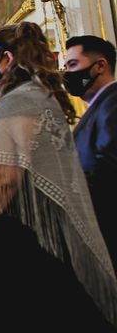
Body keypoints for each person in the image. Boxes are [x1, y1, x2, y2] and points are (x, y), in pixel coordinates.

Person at [0, 22, 117, 332]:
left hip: (15, 245)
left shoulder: (22, 101)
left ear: (7, 60)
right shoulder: (35, 97)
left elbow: (5, 176)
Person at [64, 35, 117, 270]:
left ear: (101, 66)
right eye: (65, 66)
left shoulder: (113, 103)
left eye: (73, 65)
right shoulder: (96, 108)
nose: (67, 73)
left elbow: (107, 166)